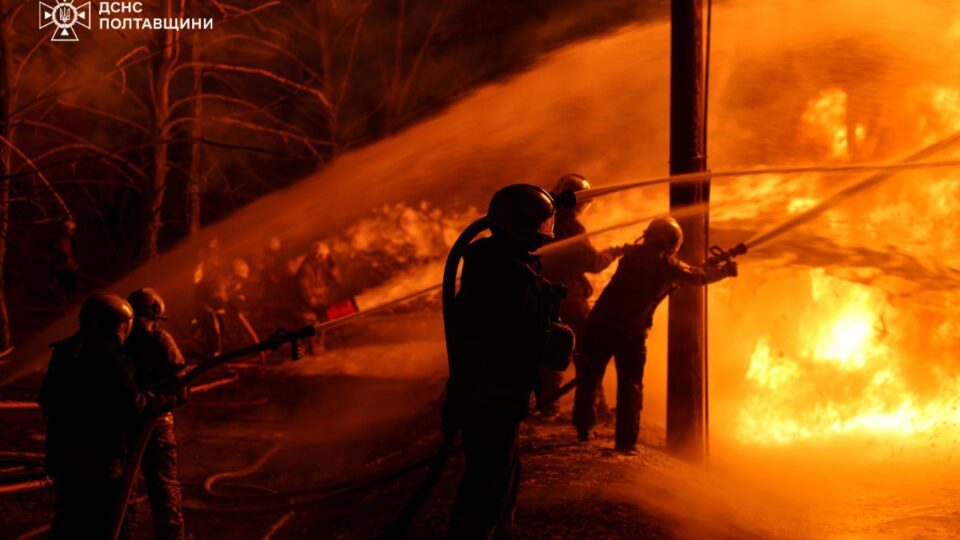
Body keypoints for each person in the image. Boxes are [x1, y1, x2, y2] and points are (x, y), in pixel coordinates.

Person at [442, 184, 573, 539]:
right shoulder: (510, 276)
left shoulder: (493, 261)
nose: (545, 237)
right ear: (520, 225)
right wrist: (553, 337)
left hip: (491, 393)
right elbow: (518, 339)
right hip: (493, 394)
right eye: (541, 227)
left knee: (502, 478)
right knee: (488, 487)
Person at [572, 217, 737, 452]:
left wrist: (704, 267)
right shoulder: (667, 265)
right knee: (630, 387)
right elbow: (697, 276)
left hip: (599, 324)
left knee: (590, 378)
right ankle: (625, 443)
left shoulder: (632, 256)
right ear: (672, 242)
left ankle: (583, 429)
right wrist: (724, 272)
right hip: (630, 333)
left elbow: (681, 273)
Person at [38, 294, 186, 539]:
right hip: (100, 455)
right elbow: (133, 403)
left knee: (68, 518)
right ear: (120, 323)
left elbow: (46, 398)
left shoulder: (65, 350)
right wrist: (160, 400)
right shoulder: (110, 356)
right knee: (108, 518)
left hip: (63, 454)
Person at [539, 173, 623, 418]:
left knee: (549, 351)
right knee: (589, 351)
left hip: (543, 299)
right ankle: (594, 408)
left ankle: (547, 406)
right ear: (581, 202)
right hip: (570, 301)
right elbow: (593, 261)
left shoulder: (543, 220)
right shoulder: (573, 229)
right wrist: (613, 252)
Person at [125, 288, 187, 540]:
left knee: (162, 487)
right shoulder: (121, 342)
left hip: (154, 423)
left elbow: (181, 389)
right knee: (126, 489)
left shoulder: (157, 341)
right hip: (130, 423)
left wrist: (158, 401)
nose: (145, 325)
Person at [296, 241, 344, 354]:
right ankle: (305, 345)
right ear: (314, 255)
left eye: (325, 256)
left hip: (320, 301)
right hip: (307, 304)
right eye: (321, 255)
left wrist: (334, 273)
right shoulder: (306, 268)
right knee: (311, 321)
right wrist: (313, 301)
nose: (323, 259)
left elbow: (333, 282)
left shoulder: (323, 267)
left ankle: (317, 345)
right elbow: (304, 289)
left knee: (323, 321)